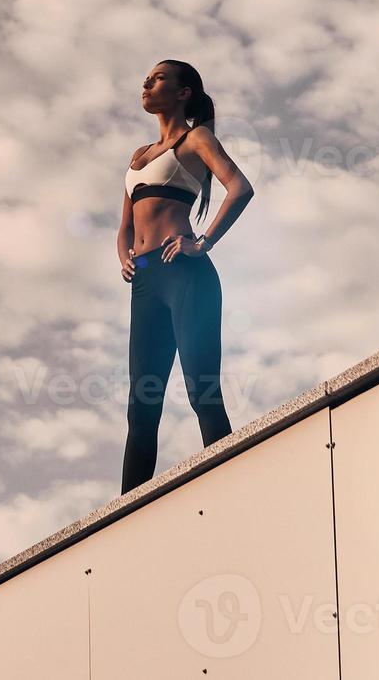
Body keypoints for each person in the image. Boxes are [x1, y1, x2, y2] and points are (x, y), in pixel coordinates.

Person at [118, 59, 254, 495]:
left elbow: (240, 187)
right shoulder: (139, 157)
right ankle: (124, 518)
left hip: (185, 274)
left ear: (183, 93)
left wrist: (204, 241)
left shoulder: (196, 139)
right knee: (142, 407)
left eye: (158, 78)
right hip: (144, 283)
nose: (147, 82)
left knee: (202, 390)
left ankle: (227, 490)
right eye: (147, 76)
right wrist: (125, 256)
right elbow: (125, 227)